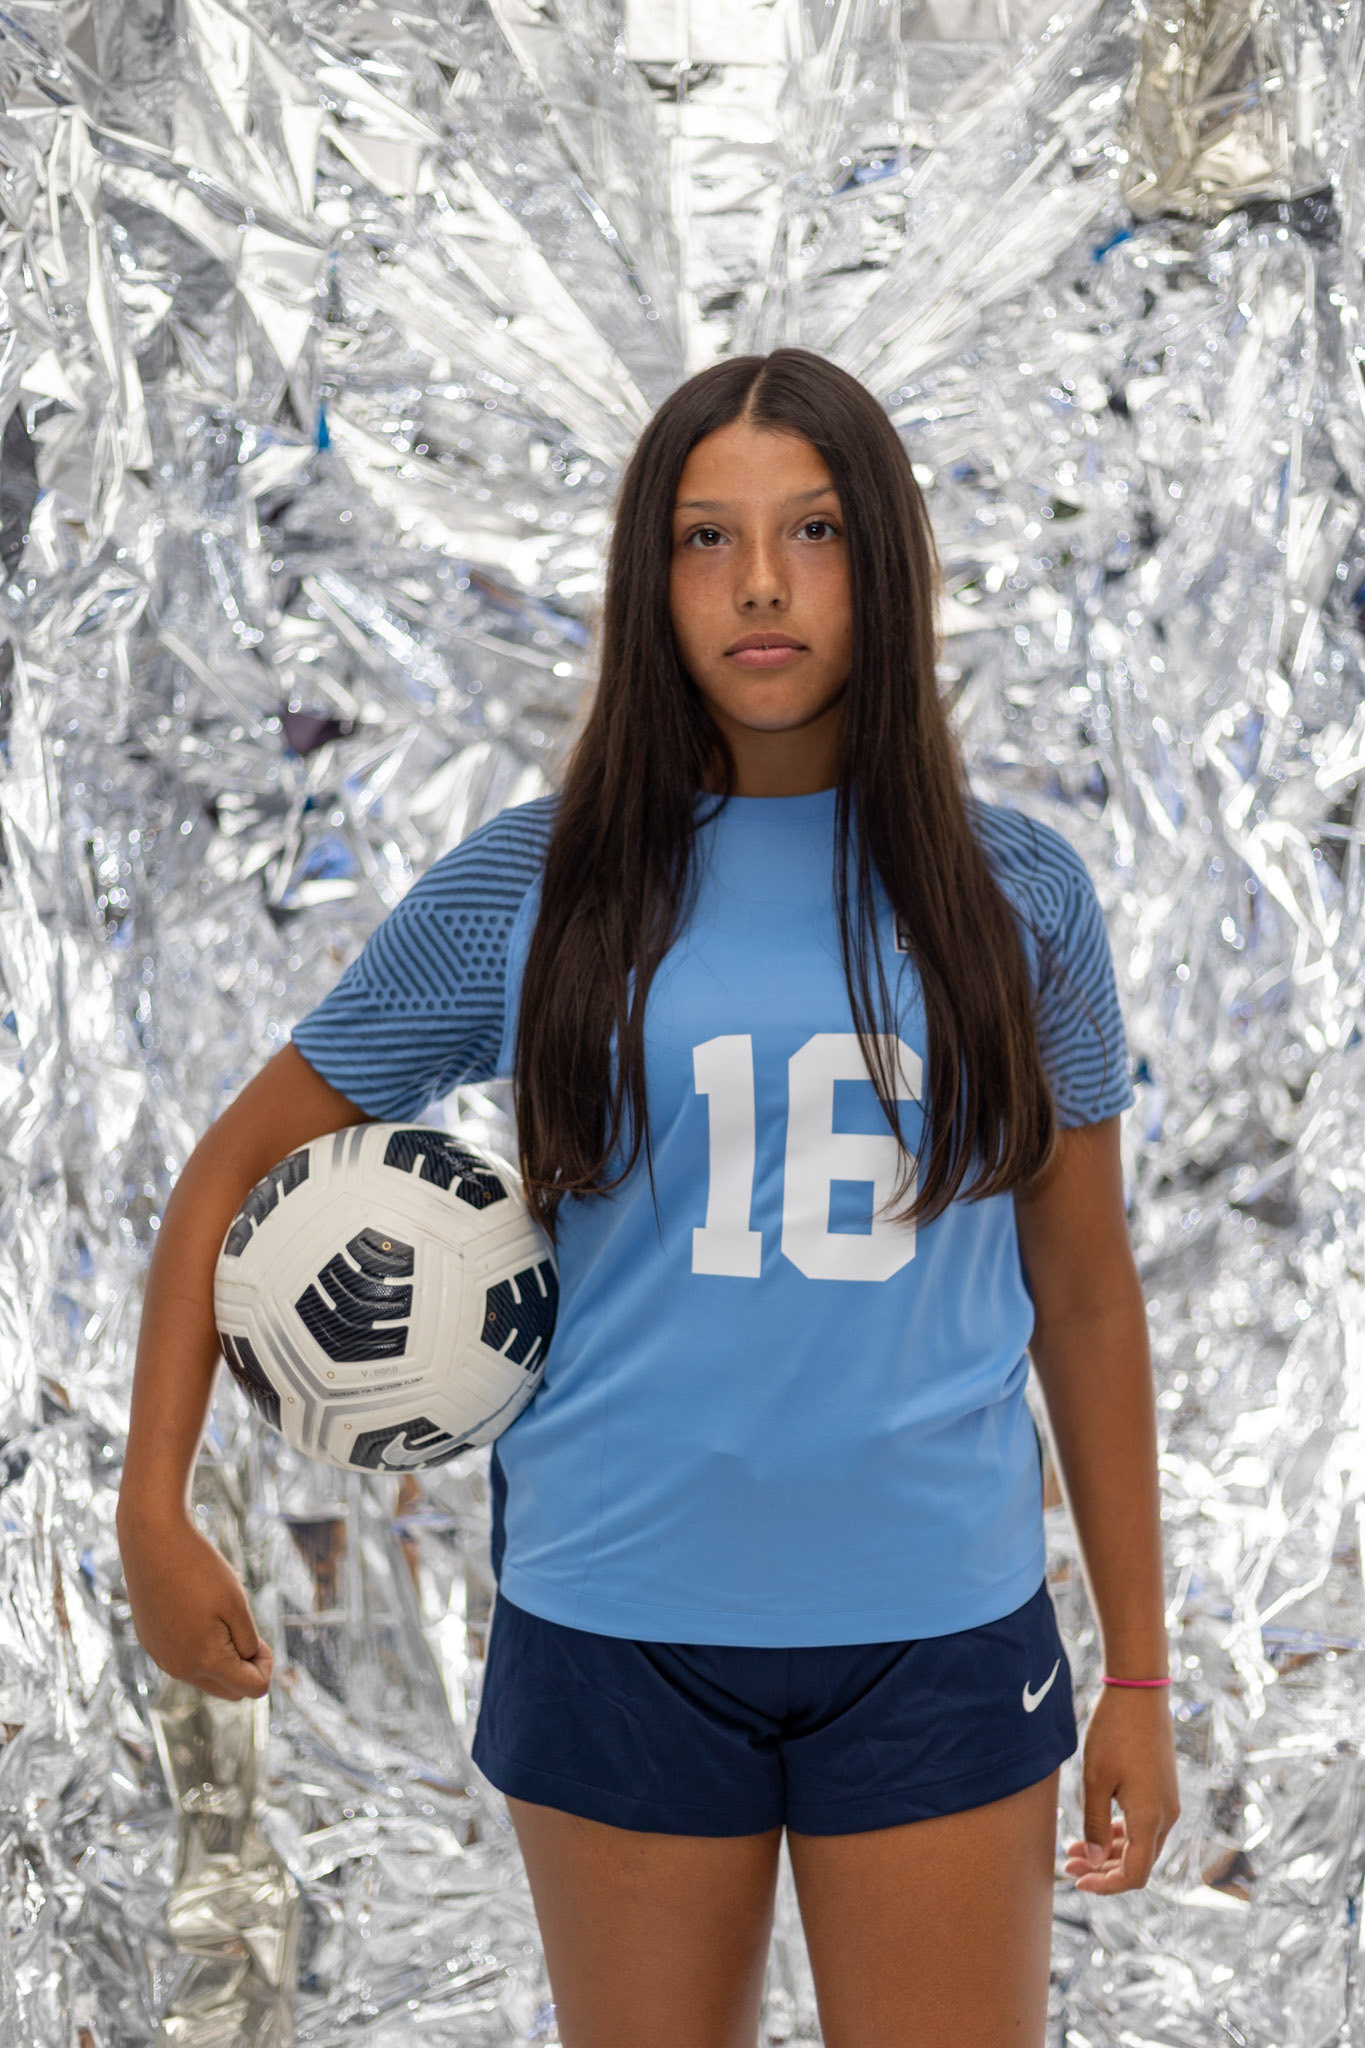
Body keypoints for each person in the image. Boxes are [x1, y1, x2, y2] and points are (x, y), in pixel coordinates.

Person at [118, 348, 1180, 2048]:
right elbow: (229, 1171)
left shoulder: (1019, 893)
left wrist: (1137, 1671)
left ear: (884, 565)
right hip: (616, 1627)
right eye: (705, 537)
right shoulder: (535, 884)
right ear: (648, 577)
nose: (759, 581)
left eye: (813, 529)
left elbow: (1087, 1291)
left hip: (937, 1634)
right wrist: (151, 1510)